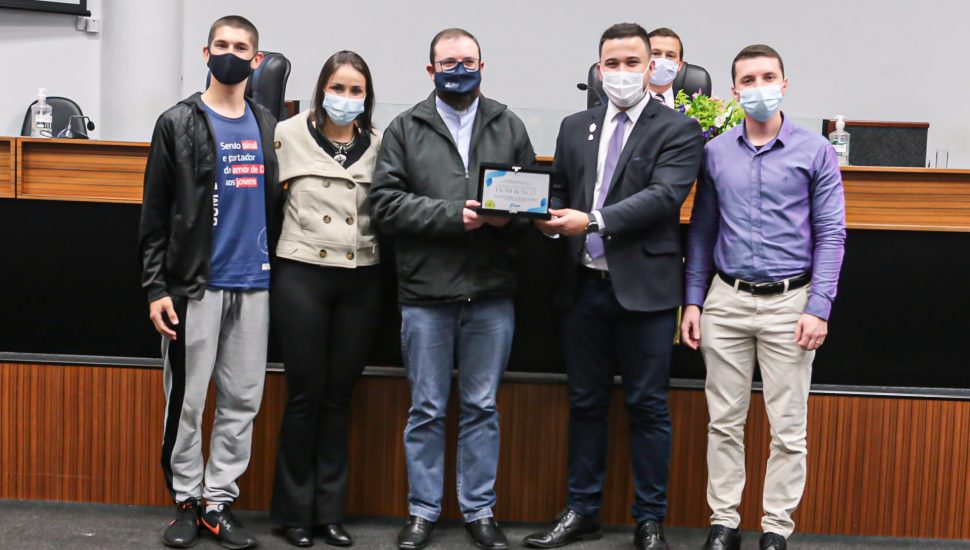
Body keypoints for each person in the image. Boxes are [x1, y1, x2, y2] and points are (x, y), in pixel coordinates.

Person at [524, 22, 703, 550]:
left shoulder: (678, 129)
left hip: (646, 289)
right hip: (582, 286)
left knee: (648, 407)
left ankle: (649, 519)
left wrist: (594, 221)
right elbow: (559, 188)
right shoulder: (574, 126)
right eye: (611, 64)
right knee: (585, 403)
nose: (621, 72)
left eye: (631, 63)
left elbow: (664, 197)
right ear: (598, 70)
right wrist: (544, 218)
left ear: (651, 68)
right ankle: (582, 511)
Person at [369, 27, 536, 550]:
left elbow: (534, 203)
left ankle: (479, 510)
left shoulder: (508, 124)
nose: (459, 70)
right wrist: (450, 216)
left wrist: (512, 217)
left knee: (482, 407)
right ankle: (422, 511)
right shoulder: (405, 128)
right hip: (426, 293)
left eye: (468, 61)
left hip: (491, 292)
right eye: (449, 63)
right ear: (431, 70)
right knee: (426, 408)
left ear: (483, 65)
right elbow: (384, 205)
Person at [680, 44, 846, 550]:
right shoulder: (716, 152)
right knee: (723, 423)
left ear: (784, 84)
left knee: (788, 429)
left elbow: (831, 234)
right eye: (748, 80)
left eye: (768, 77)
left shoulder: (814, 150)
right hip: (726, 301)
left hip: (790, 303)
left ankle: (775, 529)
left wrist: (819, 307)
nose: (759, 88)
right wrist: (694, 301)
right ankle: (724, 522)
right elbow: (702, 230)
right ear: (734, 91)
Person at [139, 15, 279, 550]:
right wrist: (156, 288)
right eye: (221, 44)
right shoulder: (177, 122)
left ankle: (219, 502)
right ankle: (186, 501)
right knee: (189, 402)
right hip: (194, 287)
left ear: (257, 60)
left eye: (241, 47)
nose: (230, 54)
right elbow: (155, 215)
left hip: (255, 284)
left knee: (242, 401)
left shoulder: (268, 124)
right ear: (205, 53)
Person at [269, 50, 383, 548]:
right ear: (321, 90)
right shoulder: (287, 133)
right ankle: (295, 513)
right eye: (338, 88)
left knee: (340, 397)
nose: (345, 98)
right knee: (305, 395)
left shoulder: (380, 143)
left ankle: (328, 512)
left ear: (367, 97)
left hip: (361, 277)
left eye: (356, 90)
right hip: (302, 273)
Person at [646, 27, 685, 107]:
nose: (662, 61)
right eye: (655, 54)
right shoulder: (626, 103)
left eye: (670, 55)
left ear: (679, 65)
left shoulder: (693, 105)